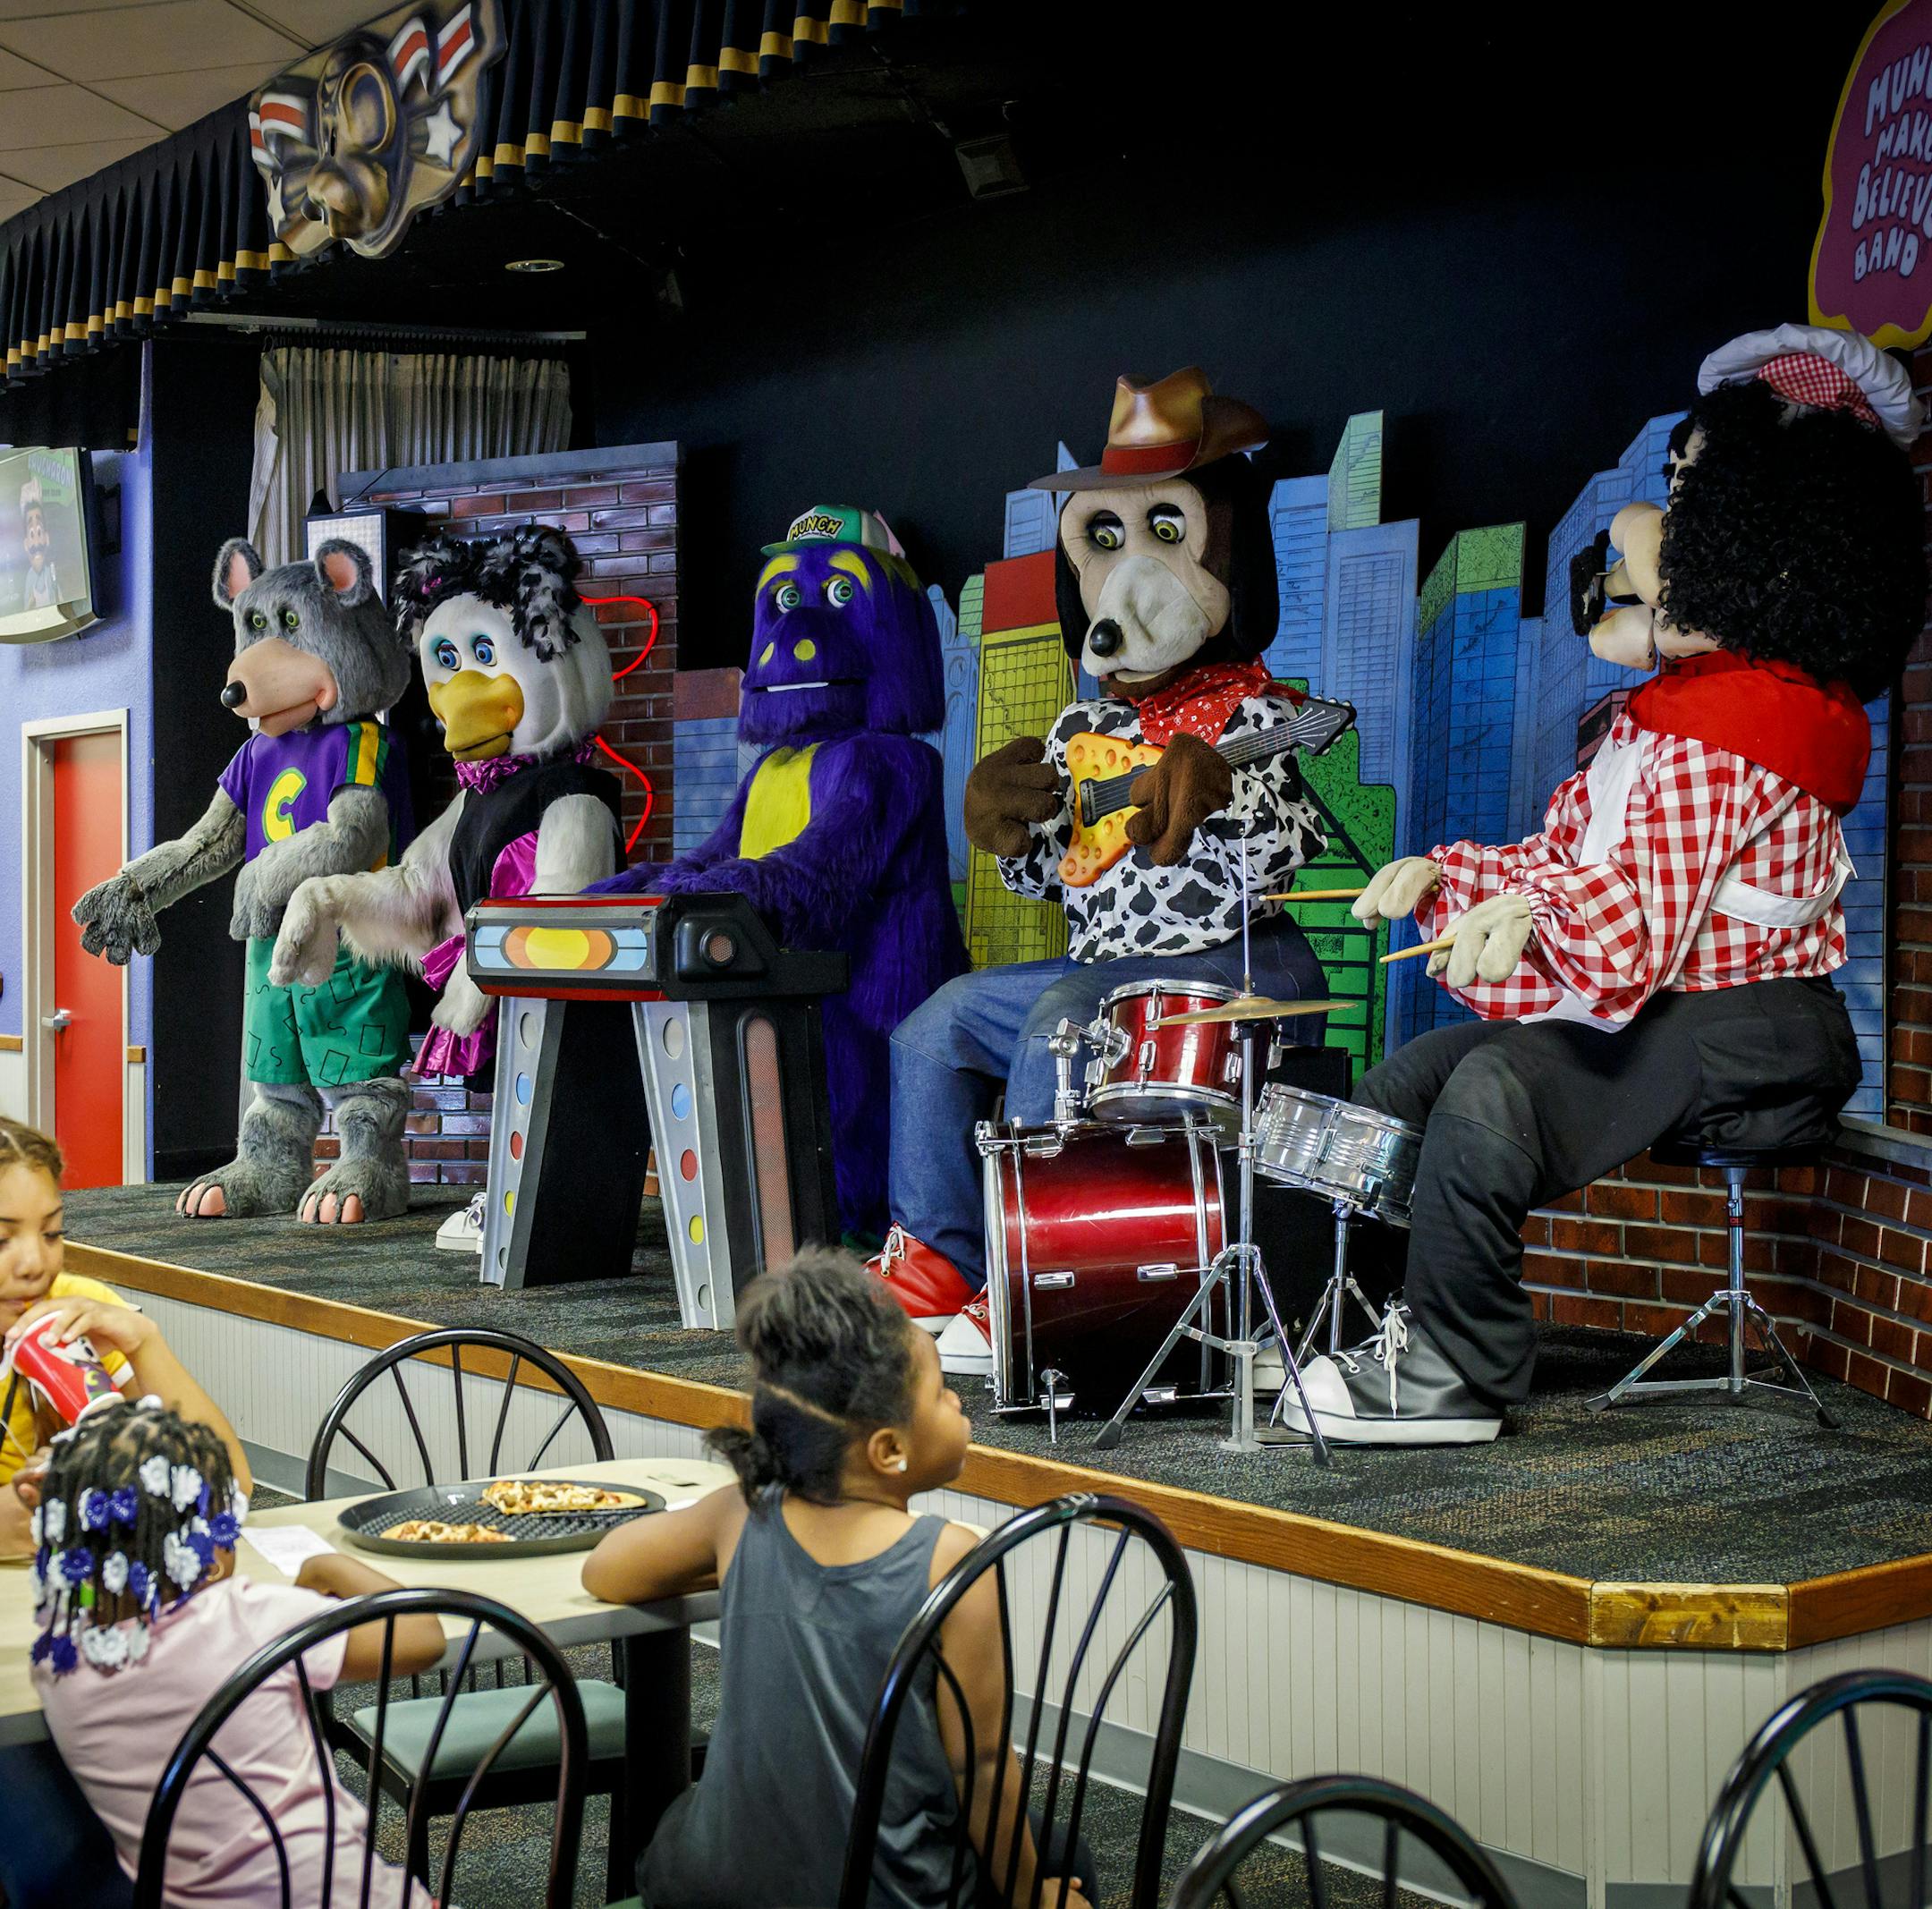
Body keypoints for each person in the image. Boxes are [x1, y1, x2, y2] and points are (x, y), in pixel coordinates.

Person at [1277, 325, 1925, 1447]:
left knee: (1499, 1089)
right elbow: (1572, 862)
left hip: (1767, 1027)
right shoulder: (1665, 718)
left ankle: (1454, 1378)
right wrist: (1450, 876)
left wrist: (1525, 915)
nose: (1649, 536)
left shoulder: (1746, 730)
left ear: (1770, 542)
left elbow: (1634, 929)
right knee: (1406, 1081)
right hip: (1676, 999)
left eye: (1690, 498)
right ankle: (1355, 1322)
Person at [583, 1248, 1097, 1909]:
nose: (957, 1401)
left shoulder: (740, 1515)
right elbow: (981, 1768)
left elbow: (607, 1571)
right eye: (941, 1393)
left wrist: (747, 1568)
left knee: (689, 1816)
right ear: (889, 1450)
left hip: (719, 1888)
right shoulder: (950, 1561)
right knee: (1064, 1857)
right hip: (879, 1894)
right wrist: (1033, 1898)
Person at [28, 1399, 446, 1907]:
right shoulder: (250, 1618)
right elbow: (424, 1636)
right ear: (207, 1544)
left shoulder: (55, 1660)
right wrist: (328, 1566)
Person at [0, 1117, 250, 1558]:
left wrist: (143, 1343)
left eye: (52, 1233)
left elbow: (225, 1490)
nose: (35, 1264)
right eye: (2, 1239)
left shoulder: (74, 1312)